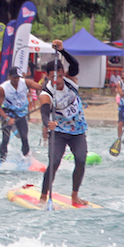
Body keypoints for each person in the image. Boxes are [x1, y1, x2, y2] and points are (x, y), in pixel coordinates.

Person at [37, 41, 91, 207]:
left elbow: (74, 64)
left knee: (81, 160)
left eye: (60, 76)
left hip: (78, 130)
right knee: (54, 163)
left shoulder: (70, 80)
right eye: (54, 77)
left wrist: (63, 51)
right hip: (59, 132)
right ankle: (43, 197)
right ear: (47, 75)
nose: (58, 80)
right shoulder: (46, 93)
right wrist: (48, 123)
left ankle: (75, 196)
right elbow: (45, 113)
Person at [0, 67, 42, 162]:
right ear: (10, 76)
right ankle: (2, 160)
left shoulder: (25, 82)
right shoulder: (3, 88)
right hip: (8, 114)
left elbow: (40, 87)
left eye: (18, 77)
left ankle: (26, 158)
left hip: (21, 114)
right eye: (14, 77)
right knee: (5, 139)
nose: (16, 80)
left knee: (24, 137)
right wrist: (7, 118)